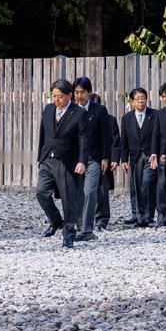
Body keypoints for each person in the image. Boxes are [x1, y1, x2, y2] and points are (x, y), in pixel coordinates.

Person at [36, 78, 90, 249]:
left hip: (67, 161)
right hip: (47, 159)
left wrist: (82, 161)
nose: (56, 99)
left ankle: (68, 234)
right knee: (41, 192)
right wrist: (40, 157)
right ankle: (56, 221)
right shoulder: (48, 109)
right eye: (53, 96)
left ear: (69, 95)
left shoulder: (79, 113)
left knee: (68, 199)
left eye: (59, 96)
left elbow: (84, 139)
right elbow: (43, 134)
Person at [72, 77, 112, 241]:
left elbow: (106, 136)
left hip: (94, 158)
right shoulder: (71, 110)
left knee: (90, 191)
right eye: (76, 92)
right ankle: (79, 225)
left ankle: (87, 229)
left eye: (82, 92)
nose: (79, 96)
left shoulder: (99, 110)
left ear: (89, 92)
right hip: (75, 158)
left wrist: (105, 157)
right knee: (78, 193)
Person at [118, 87, 156, 227]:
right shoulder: (126, 118)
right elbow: (124, 141)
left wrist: (155, 153)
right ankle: (136, 214)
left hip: (150, 156)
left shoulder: (154, 115)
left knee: (146, 184)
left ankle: (147, 215)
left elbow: (157, 135)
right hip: (134, 156)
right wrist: (124, 160)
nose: (141, 101)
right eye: (138, 98)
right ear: (132, 102)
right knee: (135, 186)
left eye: (143, 98)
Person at [93, 93, 120, 230]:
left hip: (104, 159)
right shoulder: (81, 116)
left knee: (102, 190)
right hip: (86, 159)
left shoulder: (110, 120)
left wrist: (114, 159)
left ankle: (102, 219)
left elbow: (115, 141)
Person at [150, 82, 166, 228]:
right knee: (161, 187)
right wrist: (154, 153)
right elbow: (156, 134)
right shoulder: (161, 113)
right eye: (163, 97)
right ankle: (162, 218)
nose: (164, 99)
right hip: (162, 154)